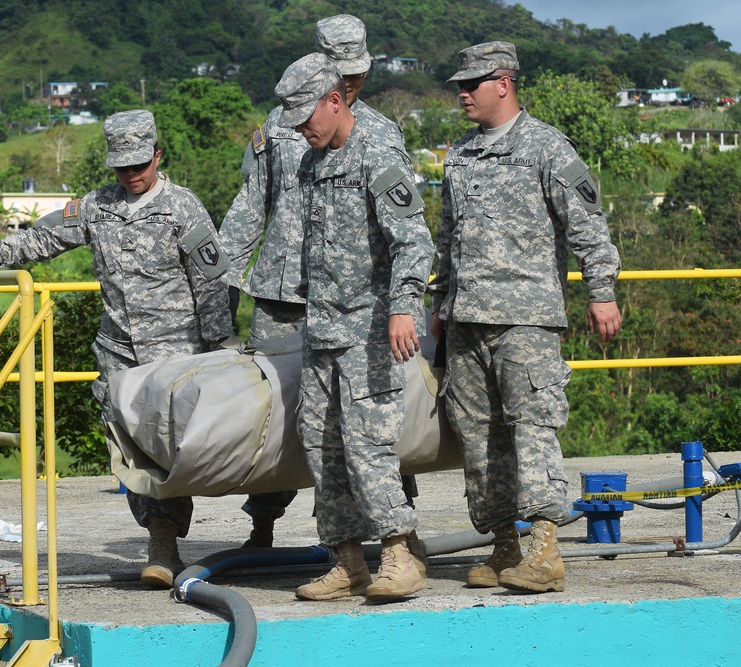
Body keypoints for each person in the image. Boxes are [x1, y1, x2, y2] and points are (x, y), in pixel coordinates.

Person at [0, 109, 238, 589]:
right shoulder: (97, 207)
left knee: (169, 448)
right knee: (131, 450)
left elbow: (212, 282)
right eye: (122, 167)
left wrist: (217, 348)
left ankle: (221, 530)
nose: (132, 174)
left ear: (158, 156)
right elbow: (42, 237)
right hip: (119, 354)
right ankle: (161, 542)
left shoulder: (183, 207)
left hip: (176, 354)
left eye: (140, 164)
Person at [218, 12, 425, 562]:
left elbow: (407, 232)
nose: (350, 85)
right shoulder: (283, 122)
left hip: (354, 305)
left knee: (367, 420)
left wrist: (403, 303)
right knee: (287, 417)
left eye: (356, 77)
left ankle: (395, 532)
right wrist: (223, 281)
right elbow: (250, 205)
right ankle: (266, 526)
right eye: (341, 74)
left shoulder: (379, 135)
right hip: (283, 297)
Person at [430, 41, 623, 593]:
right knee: (477, 436)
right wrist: (440, 303)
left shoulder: (547, 146)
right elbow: (448, 236)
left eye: (472, 84)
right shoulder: (461, 155)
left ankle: (545, 551)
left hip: (526, 317)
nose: (463, 94)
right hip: (467, 320)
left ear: (504, 83)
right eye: (459, 86)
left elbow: (588, 224)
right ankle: (503, 547)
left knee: (533, 428)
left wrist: (601, 292)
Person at [273, 53, 435, 602]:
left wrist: (403, 307)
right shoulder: (310, 162)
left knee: (369, 446)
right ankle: (346, 562)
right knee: (321, 445)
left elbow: (414, 241)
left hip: (369, 330)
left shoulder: (377, 155)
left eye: (306, 116)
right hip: (322, 330)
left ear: (336, 99)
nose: (301, 128)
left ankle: (399, 556)